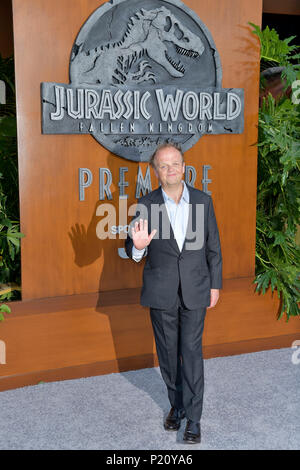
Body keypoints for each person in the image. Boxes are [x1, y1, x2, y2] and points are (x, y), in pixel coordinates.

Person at [125, 142, 222, 444]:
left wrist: (215, 285)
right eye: (163, 165)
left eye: (175, 164)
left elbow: (213, 249)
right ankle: (176, 405)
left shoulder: (203, 202)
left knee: (191, 354)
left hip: (195, 289)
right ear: (156, 171)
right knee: (168, 355)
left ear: (184, 166)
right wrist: (138, 247)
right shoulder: (146, 203)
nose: (170, 170)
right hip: (161, 291)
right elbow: (132, 247)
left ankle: (193, 419)